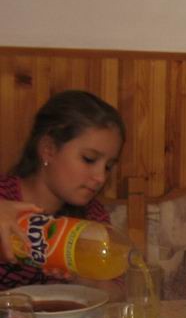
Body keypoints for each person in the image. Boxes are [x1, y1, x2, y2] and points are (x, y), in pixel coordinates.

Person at [0, 90, 125, 290]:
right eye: (89, 159)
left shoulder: (92, 217)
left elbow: (118, 292)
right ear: (48, 149)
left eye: (108, 166)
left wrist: (79, 278)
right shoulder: (4, 196)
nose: (101, 177)